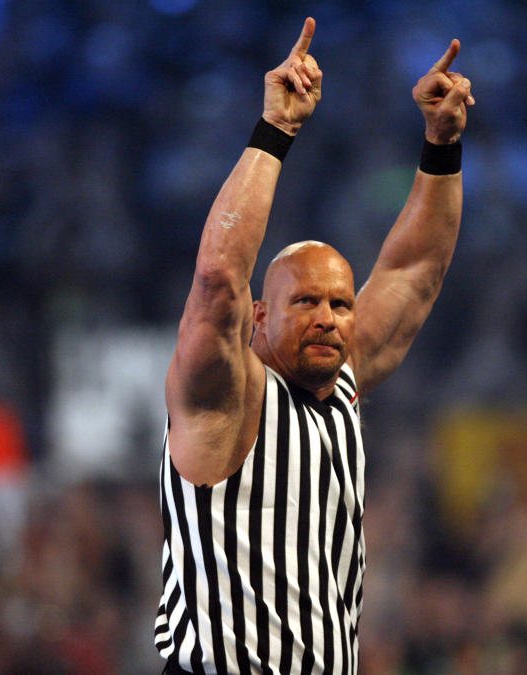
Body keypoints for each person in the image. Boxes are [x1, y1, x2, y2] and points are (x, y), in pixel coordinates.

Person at [154, 16, 473, 674]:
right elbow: (218, 283)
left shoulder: (345, 381)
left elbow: (416, 273)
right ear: (262, 317)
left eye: (339, 303)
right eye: (306, 301)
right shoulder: (227, 393)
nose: (328, 317)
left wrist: (440, 149)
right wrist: (276, 131)